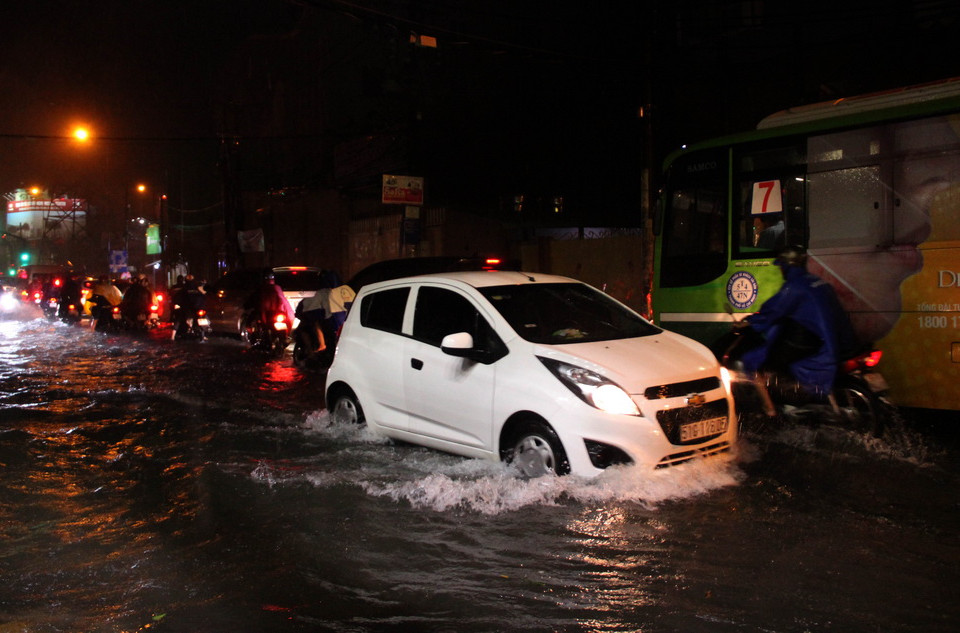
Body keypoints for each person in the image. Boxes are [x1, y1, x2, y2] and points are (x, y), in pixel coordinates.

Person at [737, 245, 858, 399]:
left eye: (781, 266)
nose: (780, 270)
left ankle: (773, 409)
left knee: (761, 361)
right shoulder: (817, 282)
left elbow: (772, 310)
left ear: (787, 266)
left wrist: (749, 322)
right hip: (831, 338)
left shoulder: (794, 287)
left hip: (808, 341)